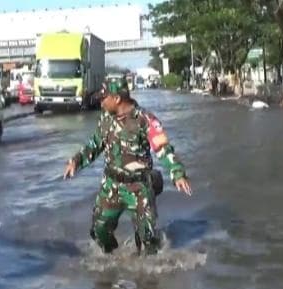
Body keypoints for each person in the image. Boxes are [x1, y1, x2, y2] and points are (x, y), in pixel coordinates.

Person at [63, 79, 192, 256]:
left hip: (139, 187)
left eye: (104, 98)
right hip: (112, 185)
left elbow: (162, 147)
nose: (100, 102)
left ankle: (149, 273)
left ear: (116, 99)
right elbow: (94, 145)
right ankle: (113, 262)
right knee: (99, 231)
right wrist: (76, 161)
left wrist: (177, 173)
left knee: (147, 241)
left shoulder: (145, 120)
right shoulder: (106, 120)